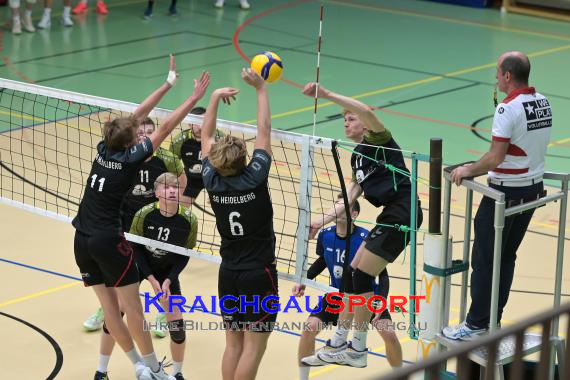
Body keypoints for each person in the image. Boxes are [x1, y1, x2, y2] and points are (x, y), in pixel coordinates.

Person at [72, 53, 209, 379]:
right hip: (107, 238)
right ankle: (153, 370)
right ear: (132, 141)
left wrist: (167, 84)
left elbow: (137, 117)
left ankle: (137, 365)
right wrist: (192, 98)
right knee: (132, 308)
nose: (140, 134)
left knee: (111, 310)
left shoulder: (104, 148)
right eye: (137, 134)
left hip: (81, 238)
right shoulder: (132, 159)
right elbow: (163, 126)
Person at [302, 82, 422, 368]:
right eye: (344, 119)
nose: (346, 122)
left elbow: (366, 110)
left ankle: (357, 347)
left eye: (350, 118)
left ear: (366, 126)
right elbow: (349, 196)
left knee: (362, 275)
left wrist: (328, 94)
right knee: (352, 274)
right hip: (390, 214)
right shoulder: (357, 156)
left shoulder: (381, 141)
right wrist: (321, 221)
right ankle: (340, 343)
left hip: (403, 211)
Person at [443, 51, 551, 340]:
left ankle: (476, 323)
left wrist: (468, 169)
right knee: (505, 258)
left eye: (497, 72)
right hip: (532, 190)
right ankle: (493, 320)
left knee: (484, 258)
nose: (495, 77)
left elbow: (494, 157)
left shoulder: (507, 108)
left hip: (505, 193)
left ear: (507, 76)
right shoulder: (543, 102)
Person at [201, 68, 277, 380]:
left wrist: (215, 96)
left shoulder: (211, 180)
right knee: (253, 347)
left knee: (233, 343)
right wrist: (261, 89)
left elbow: (205, 136)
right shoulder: (255, 177)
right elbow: (264, 131)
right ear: (244, 159)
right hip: (258, 272)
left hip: (228, 272)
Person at [83, 116, 186, 336]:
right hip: (126, 219)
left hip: (154, 221)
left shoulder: (166, 158)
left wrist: (176, 206)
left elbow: (181, 178)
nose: (145, 135)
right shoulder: (128, 158)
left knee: (163, 265)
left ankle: (163, 312)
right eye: (141, 132)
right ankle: (109, 309)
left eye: (150, 131)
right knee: (124, 271)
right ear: (134, 136)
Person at [92, 172, 198, 380]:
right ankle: (101, 370)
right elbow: (135, 248)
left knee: (177, 327)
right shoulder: (145, 213)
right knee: (115, 315)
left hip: (168, 271)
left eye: (175, 187)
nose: (172, 190)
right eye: (166, 187)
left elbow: (184, 255)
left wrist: (168, 280)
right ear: (157, 192)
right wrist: (150, 277)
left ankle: (177, 374)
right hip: (140, 267)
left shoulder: (189, 220)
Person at [292, 196, 402, 379]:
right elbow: (323, 260)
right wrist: (305, 279)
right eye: (337, 205)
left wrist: (381, 302)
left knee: (389, 334)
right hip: (336, 296)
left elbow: (383, 275)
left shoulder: (365, 238)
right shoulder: (325, 235)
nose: (339, 209)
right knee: (309, 329)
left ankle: (402, 374)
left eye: (345, 206)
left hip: (365, 298)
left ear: (355, 214)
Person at [170, 106, 224, 207]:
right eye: (197, 123)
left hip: (214, 178)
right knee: (179, 210)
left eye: (204, 122)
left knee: (222, 209)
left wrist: (222, 186)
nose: (201, 127)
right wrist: (177, 184)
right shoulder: (180, 141)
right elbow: (171, 165)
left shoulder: (220, 139)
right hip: (191, 179)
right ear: (190, 124)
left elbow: (228, 164)